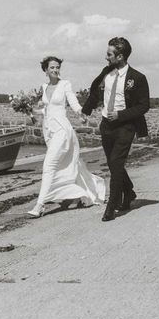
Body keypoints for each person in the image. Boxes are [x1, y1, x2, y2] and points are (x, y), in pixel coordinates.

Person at [27, 56, 106, 218]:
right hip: (49, 131)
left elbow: (73, 103)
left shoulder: (65, 84)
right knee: (66, 164)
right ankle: (83, 193)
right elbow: (47, 110)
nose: (55, 70)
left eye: (57, 67)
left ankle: (39, 204)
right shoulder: (44, 86)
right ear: (45, 70)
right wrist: (30, 111)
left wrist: (81, 112)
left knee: (49, 165)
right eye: (52, 68)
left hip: (63, 131)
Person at [81, 37, 150, 221]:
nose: (106, 57)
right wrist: (85, 111)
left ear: (120, 56)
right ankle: (129, 193)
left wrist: (121, 115)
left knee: (116, 164)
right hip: (106, 125)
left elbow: (144, 106)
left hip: (126, 126)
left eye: (109, 54)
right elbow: (95, 92)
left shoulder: (138, 78)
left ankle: (112, 206)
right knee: (113, 164)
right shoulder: (106, 72)